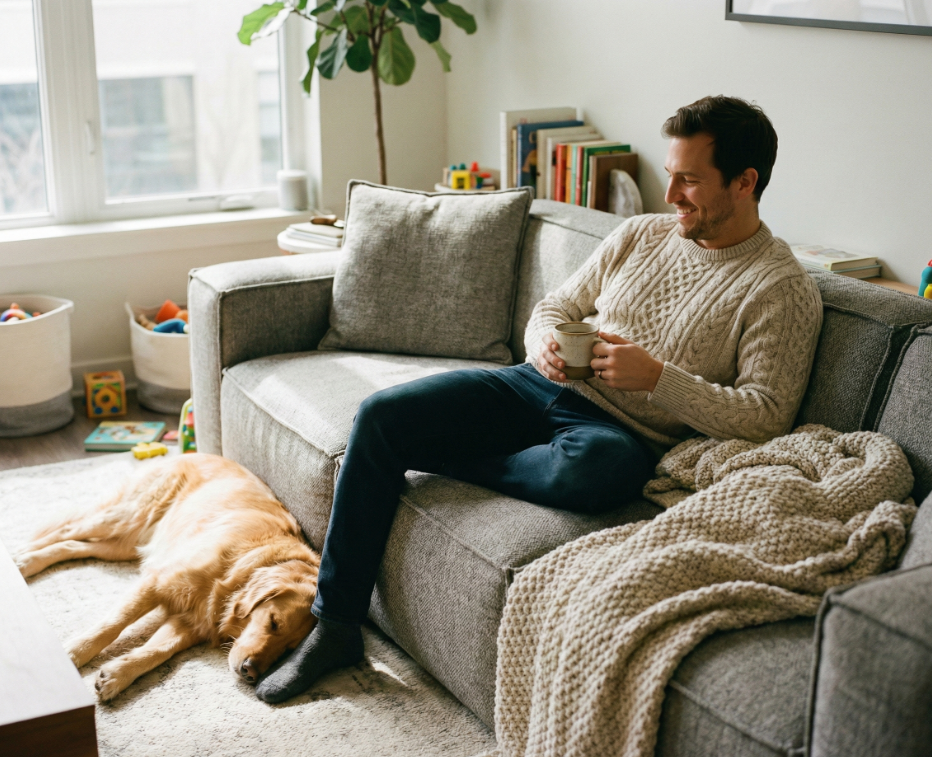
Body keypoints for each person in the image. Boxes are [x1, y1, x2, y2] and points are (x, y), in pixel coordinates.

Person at [255, 95, 824, 703]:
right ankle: (337, 624)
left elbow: (767, 414)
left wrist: (658, 377)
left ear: (745, 182)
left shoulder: (780, 288)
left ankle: (447, 456)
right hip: (536, 385)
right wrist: (548, 343)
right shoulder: (640, 235)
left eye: (689, 179)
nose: (671, 194)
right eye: (672, 173)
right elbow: (555, 306)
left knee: (597, 469)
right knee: (381, 416)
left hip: (619, 432)